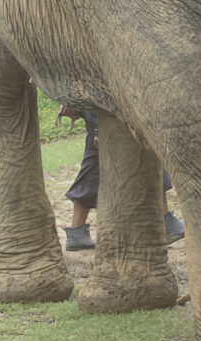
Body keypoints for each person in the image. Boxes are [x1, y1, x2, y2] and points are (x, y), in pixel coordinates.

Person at [60, 108, 185, 251]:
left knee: (90, 174)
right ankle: (166, 222)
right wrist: (98, 130)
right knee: (150, 161)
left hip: (105, 123)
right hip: (109, 123)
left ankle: (77, 231)